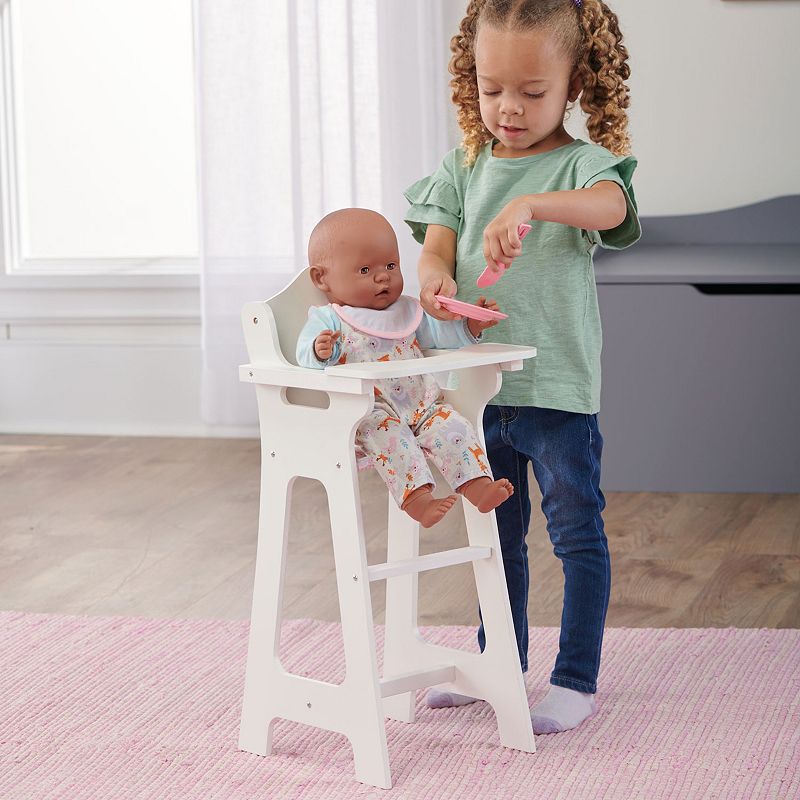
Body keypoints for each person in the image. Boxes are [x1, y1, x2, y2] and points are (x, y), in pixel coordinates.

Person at [404, 0, 641, 734]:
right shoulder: (463, 167)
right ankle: (495, 661)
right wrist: (435, 282)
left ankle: (575, 681)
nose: (508, 108)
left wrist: (535, 203)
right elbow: (435, 250)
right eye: (490, 86)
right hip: (477, 388)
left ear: (574, 83)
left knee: (576, 531)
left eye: (532, 93)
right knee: (494, 538)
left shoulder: (581, 168)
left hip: (557, 391)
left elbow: (610, 207)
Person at [296, 207, 515, 528]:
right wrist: (319, 349)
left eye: (390, 265)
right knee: (392, 441)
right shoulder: (330, 318)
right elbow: (305, 356)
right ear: (322, 278)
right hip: (370, 412)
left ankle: (478, 486)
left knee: (454, 426)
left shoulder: (407, 310)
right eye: (365, 269)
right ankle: (418, 500)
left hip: (423, 404)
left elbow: (441, 336)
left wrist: (471, 324)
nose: (383, 275)